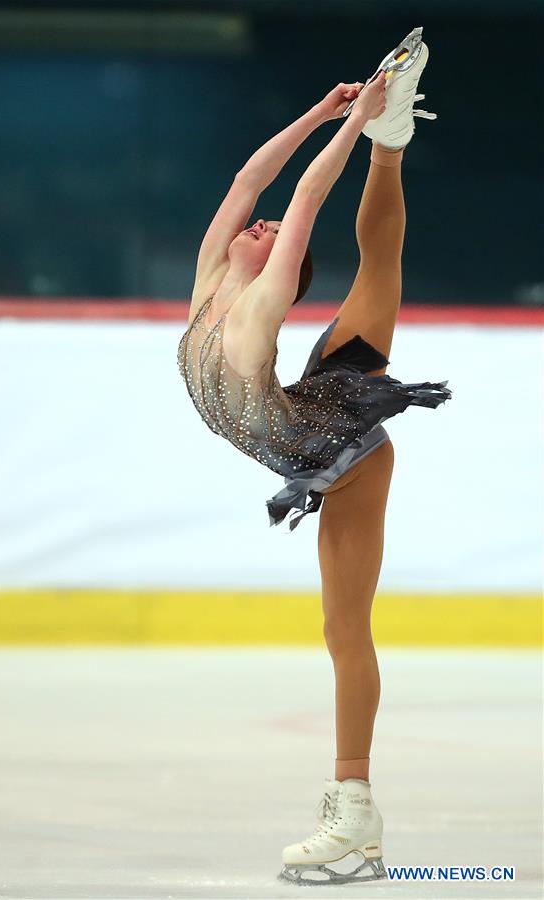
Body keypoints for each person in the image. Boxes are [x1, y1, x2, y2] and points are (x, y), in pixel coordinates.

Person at [177, 26, 450, 885]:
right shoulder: (211, 282)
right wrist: (326, 111)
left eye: (264, 240)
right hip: (305, 429)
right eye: (247, 233)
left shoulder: (256, 310)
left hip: (345, 448)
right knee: (343, 632)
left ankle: (352, 810)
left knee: (344, 632)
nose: (253, 227)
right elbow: (253, 181)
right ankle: (391, 141)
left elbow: (298, 205)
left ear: (280, 281)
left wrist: (353, 128)